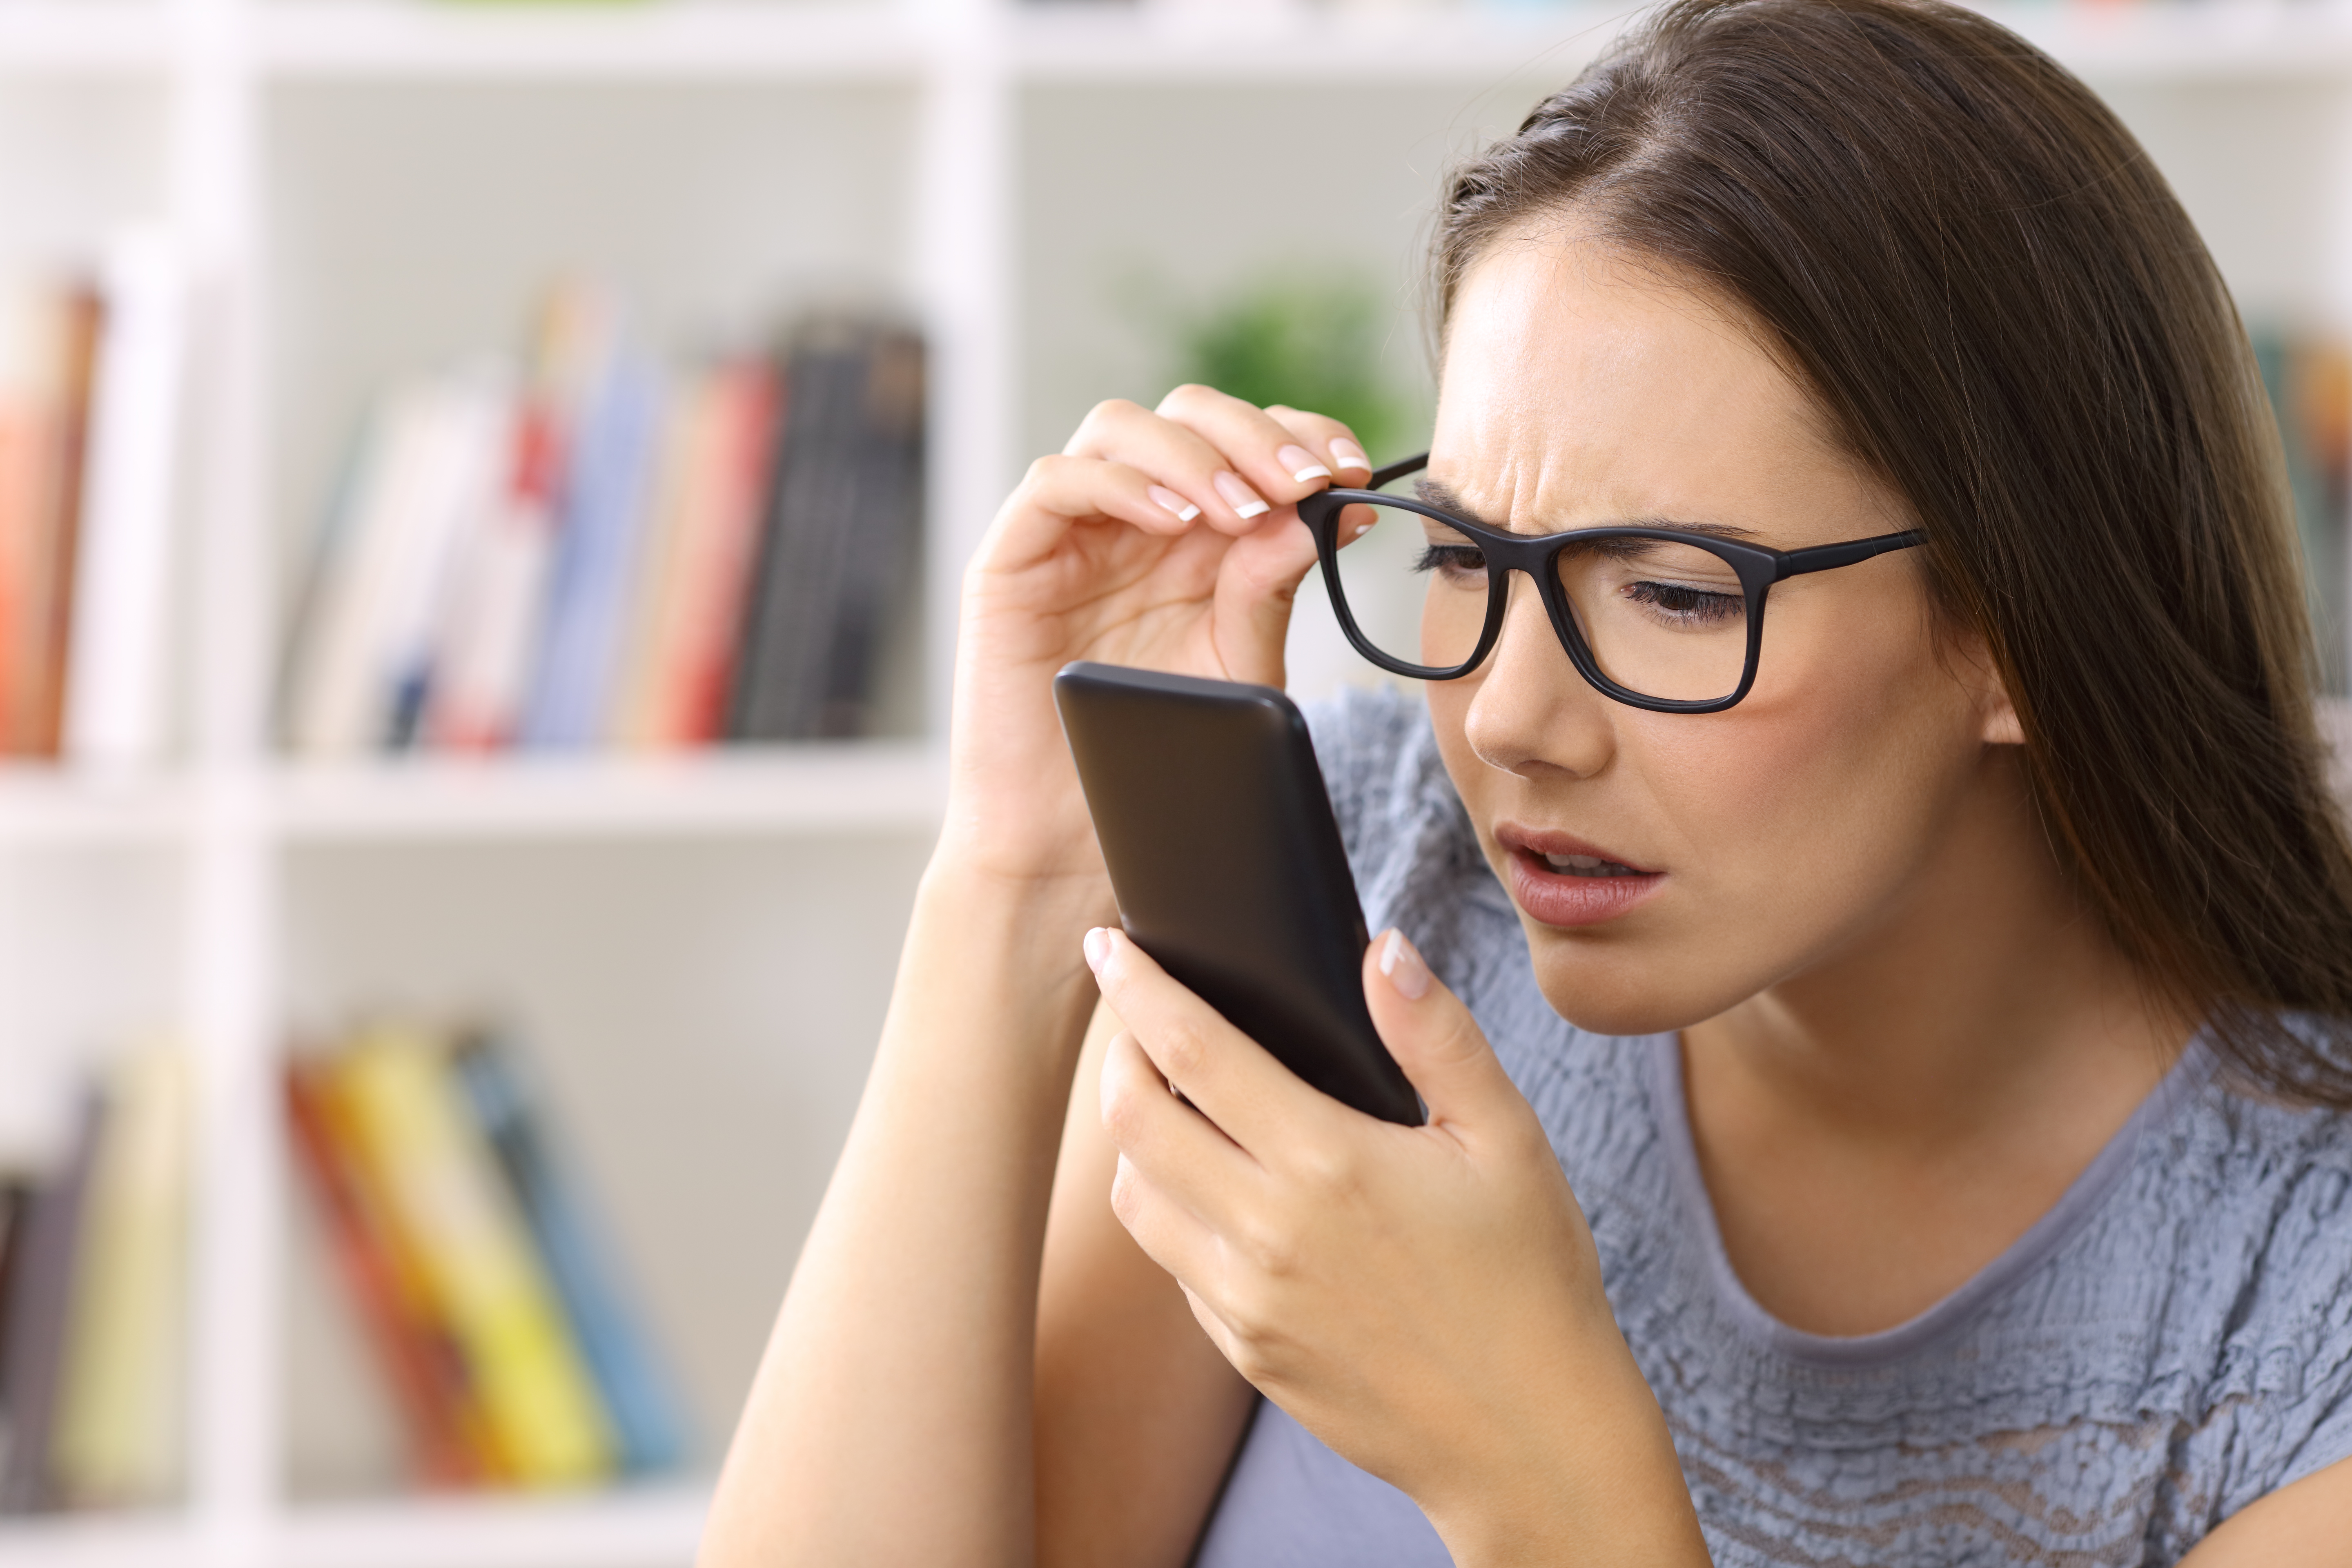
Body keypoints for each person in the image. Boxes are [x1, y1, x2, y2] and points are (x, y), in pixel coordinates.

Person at [699, 0, 2352, 1561]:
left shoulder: (2297, 1292)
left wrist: (1534, 1460)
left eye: (1678, 592)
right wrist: (1011, 886)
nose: (1506, 719)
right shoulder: (1360, 880)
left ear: (2019, 626)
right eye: (1470, 557)